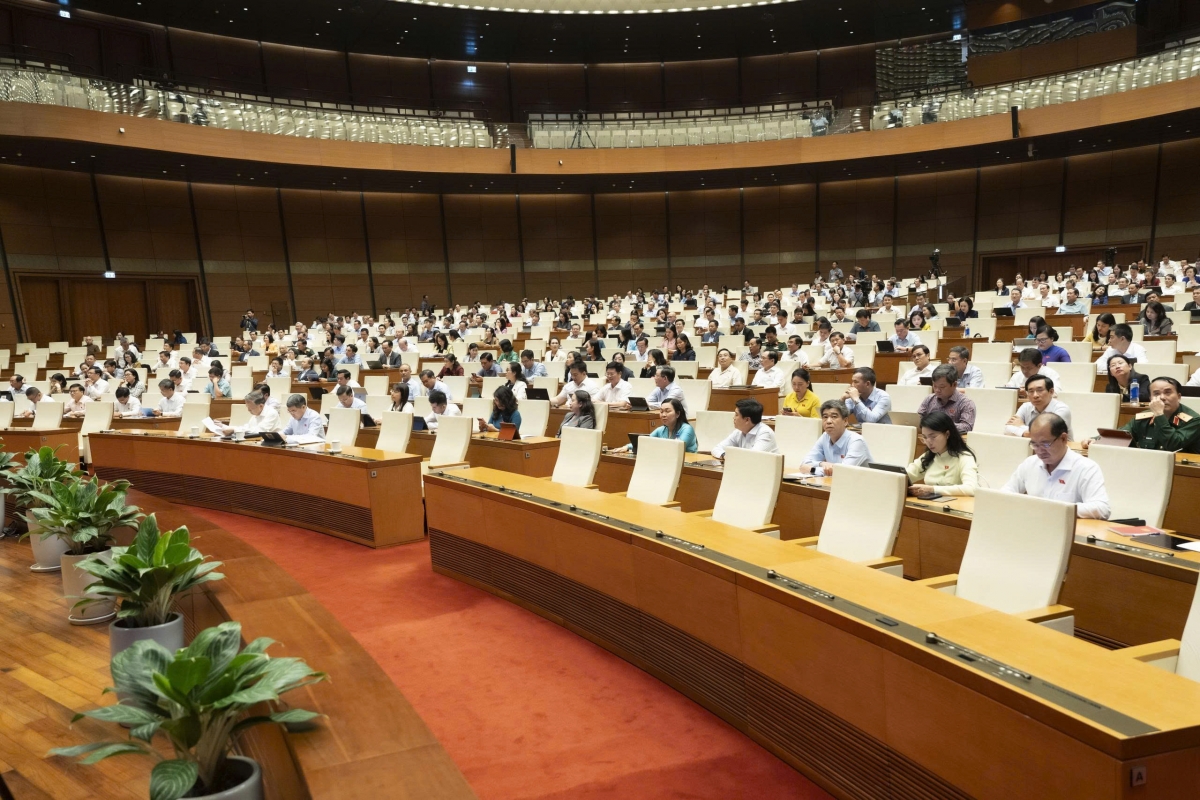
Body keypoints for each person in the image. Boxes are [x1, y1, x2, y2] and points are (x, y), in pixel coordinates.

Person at [1003, 414, 1110, 519]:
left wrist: (1056, 509)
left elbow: (1102, 508)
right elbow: (1005, 493)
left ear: (1063, 438)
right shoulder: (1030, 463)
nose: (1039, 451)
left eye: (1045, 444)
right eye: (1034, 444)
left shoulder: (1086, 468)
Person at [1088, 377, 1200, 454]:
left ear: (1179, 396)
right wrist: (1096, 440)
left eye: (1168, 392)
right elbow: (1122, 435)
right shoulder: (1143, 417)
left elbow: (1173, 445)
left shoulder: (1194, 420)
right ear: (1150, 398)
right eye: (1156, 394)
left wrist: (1159, 415)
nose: (1162, 397)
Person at [905, 411, 979, 497]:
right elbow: (905, 475)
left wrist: (932, 489)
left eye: (933, 436)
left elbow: (971, 489)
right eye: (925, 437)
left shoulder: (964, 457)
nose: (928, 442)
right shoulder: (929, 456)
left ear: (947, 434)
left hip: (955, 503)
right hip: (930, 503)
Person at [799, 400, 872, 476]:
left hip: (861, 482)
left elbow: (842, 472)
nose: (828, 421)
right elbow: (804, 463)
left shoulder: (857, 441)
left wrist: (812, 469)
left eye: (834, 417)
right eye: (825, 417)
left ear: (845, 421)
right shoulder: (825, 436)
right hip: (837, 481)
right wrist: (821, 463)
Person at [1005, 375, 1073, 439]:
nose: (1035, 395)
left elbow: (1048, 434)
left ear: (1051, 392)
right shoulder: (1025, 407)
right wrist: (1026, 433)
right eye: (1031, 391)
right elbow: (1007, 429)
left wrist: (1021, 426)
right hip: (1031, 446)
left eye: (1040, 390)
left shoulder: (1061, 409)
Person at [917, 364, 977, 434]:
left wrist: (942, 425)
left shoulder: (966, 403)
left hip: (952, 439)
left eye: (942, 387)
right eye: (935, 386)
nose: (937, 390)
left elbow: (967, 427)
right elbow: (918, 418)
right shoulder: (929, 399)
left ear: (954, 385)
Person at [711, 398, 779, 459]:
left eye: (736, 415)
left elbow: (751, 458)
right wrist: (724, 455)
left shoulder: (765, 433)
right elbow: (716, 449)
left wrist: (731, 456)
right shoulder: (739, 431)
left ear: (747, 420)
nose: (734, 418)